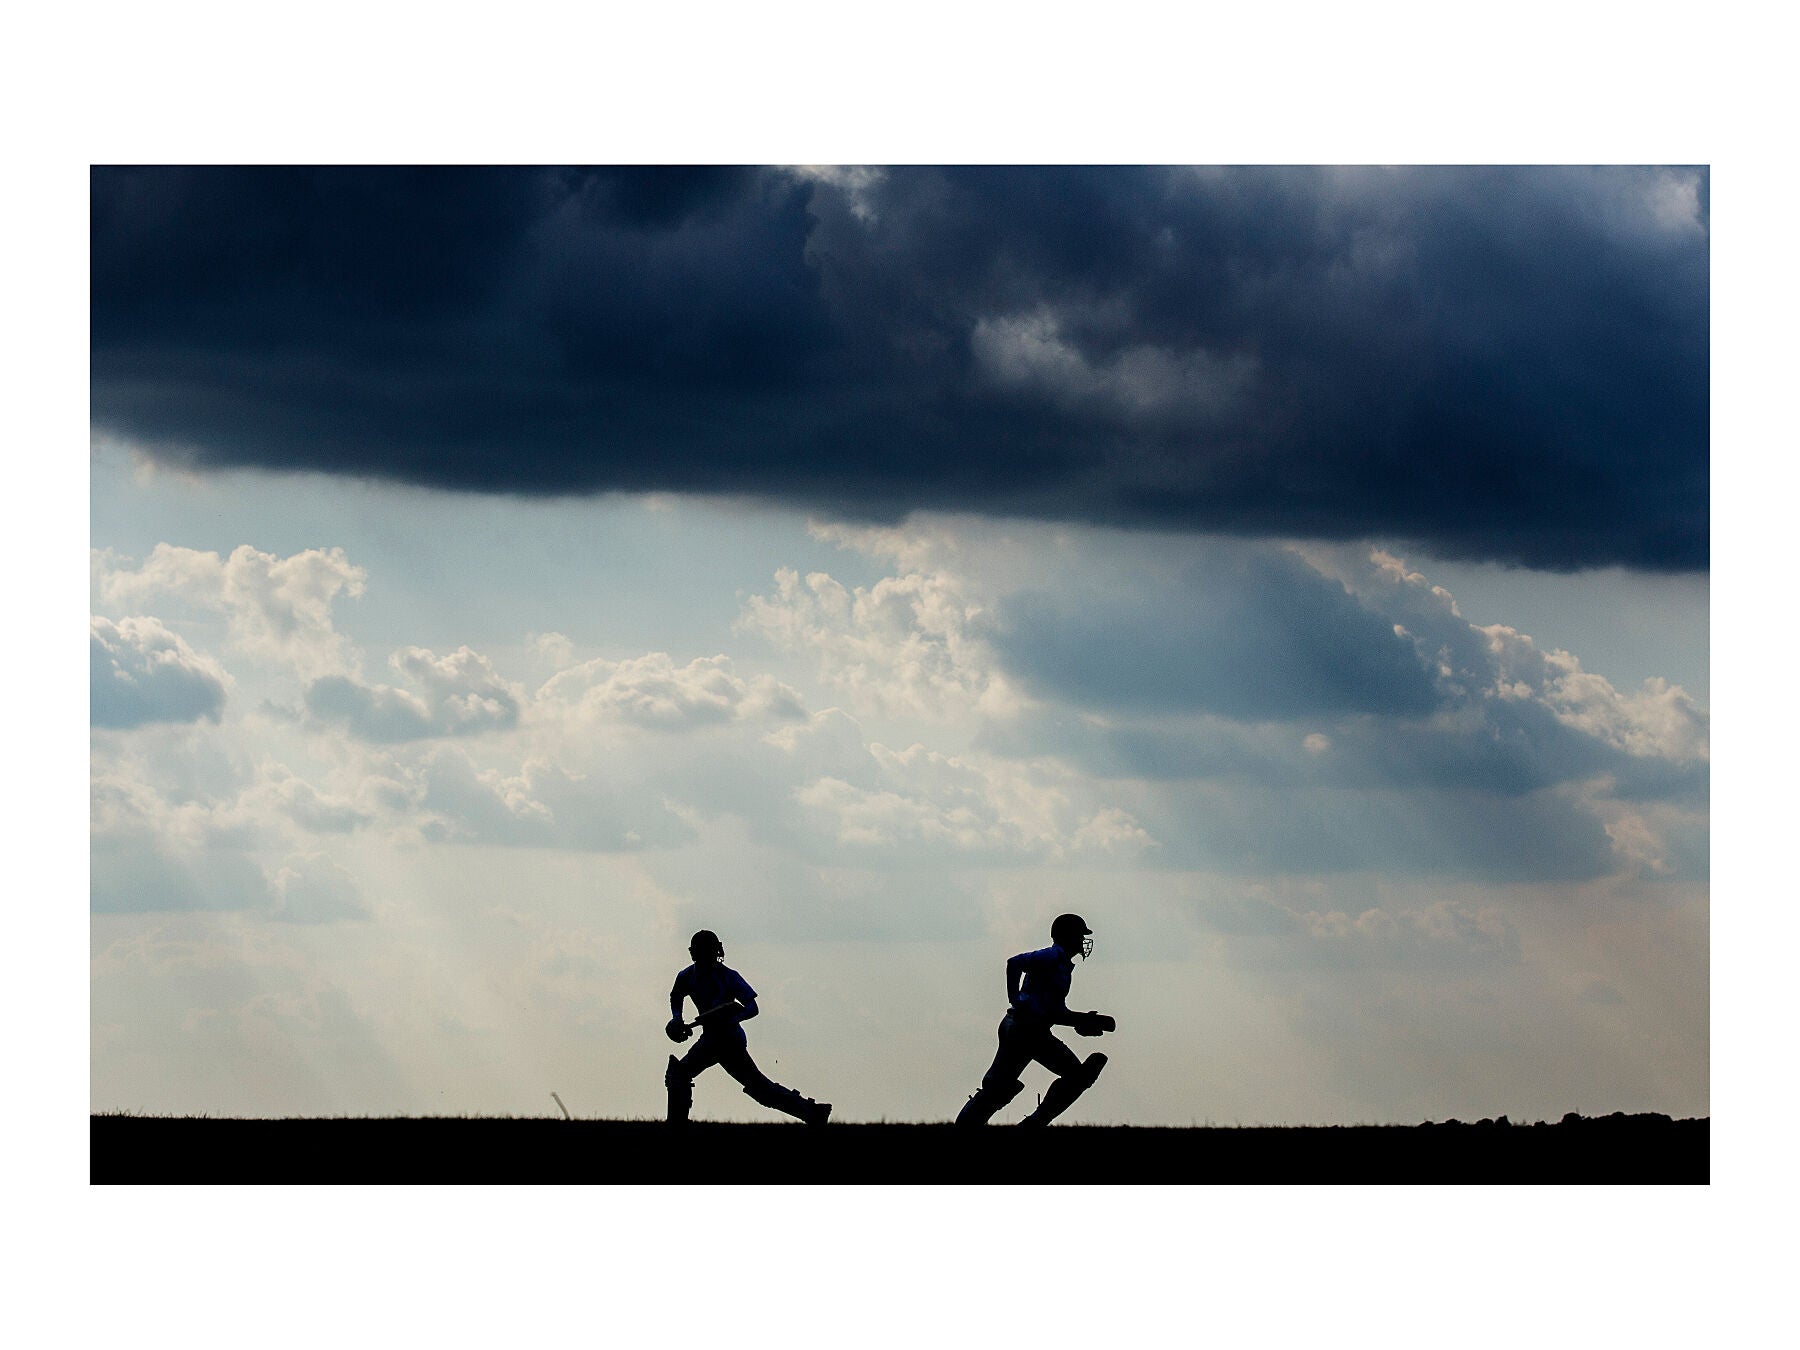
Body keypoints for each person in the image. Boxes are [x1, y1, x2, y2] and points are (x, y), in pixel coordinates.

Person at [955, 913, 1115, 1126]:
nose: (1082, 941)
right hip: (1027, 1031)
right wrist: (1015, 999)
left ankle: (966, 1127)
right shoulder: (1052, 957)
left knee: (998, 1087)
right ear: (1068, 936)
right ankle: (1034, 1123)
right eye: (1079, 936)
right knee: (1076, 1076)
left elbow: (1054, 1012)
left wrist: (1082, 1020)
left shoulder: (1062, 965)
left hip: (1024, 1029)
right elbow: (1014, 963)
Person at [664, 930, 831, 1126]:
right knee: (681, 1075)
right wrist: (677, 1018)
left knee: (757, 1086)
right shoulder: (686, 976)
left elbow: (752, 1007)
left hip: (729, 1040)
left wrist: (734, 1018)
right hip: (710, 1038)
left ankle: (812, 1112)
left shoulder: (729, 976)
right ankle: (813, 1112)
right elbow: (676, 996)